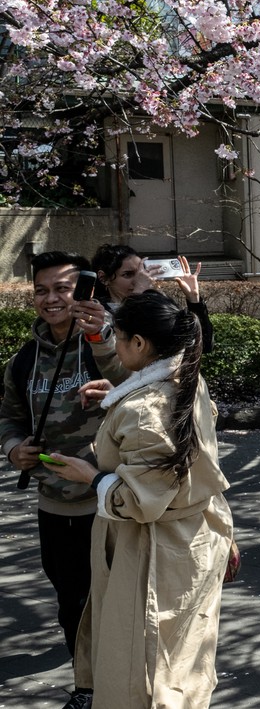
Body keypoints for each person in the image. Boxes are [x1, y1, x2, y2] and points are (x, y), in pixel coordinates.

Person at [44, 290, 234, 709]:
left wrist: (90, 476)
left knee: (144, 673)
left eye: (120, 337)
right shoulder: (185, 379)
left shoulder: (146, 410)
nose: (115, 345)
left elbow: (136, 500)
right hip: (195, 539)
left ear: (140, 345)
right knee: (183, 661)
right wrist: (118, 395)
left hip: (152, 551)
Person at [1, 252, 127, 709]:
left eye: (63, 288)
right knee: (70, 600)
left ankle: (97, 689)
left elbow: (137, 382)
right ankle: (87, 675)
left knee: (111, 601)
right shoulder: (24, 359)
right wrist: (14, 448)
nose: (51, 298)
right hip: (53, 503)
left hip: (108, 501)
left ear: (85, 291)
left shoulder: (107, 342)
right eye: (42, 289)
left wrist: (100, 336)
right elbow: (10, 416)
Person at [92, 243, 214, 354]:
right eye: (128, 274)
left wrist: (194, 300)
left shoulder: (156, 305)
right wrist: (138, 292)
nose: (138, 280)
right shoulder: (96, 312)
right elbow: (119, 356)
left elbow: (203, 346)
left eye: (142, 272)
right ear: (104, 278)